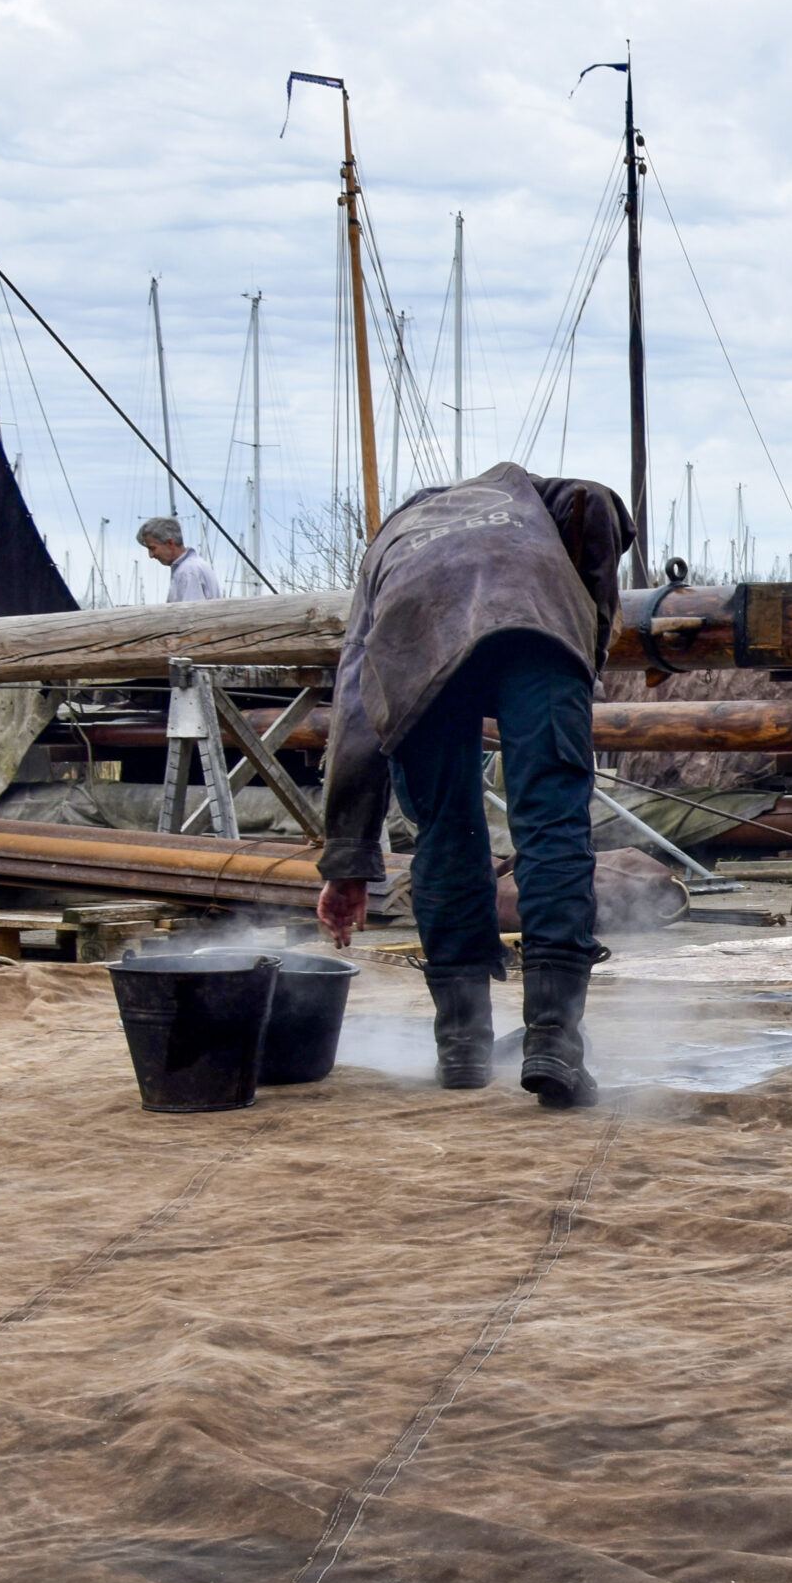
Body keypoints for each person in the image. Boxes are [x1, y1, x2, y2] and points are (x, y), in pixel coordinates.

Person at [313, 464, 634, 1108]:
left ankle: (460, 1047)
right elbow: (596, 502)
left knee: (446, 832)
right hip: (536, 630)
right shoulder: (529, 493)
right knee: (551, 827)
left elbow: (355, 700)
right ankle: (553, 1041)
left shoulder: (393, 539)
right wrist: (591, 638)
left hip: (415, 636)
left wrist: (348, 861)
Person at [138, 516, 221, 602]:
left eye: (152, 548)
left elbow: (190, 609)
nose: (151, 555)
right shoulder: (196, 565)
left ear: (170, 543)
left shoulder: (187, 571)